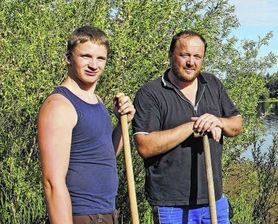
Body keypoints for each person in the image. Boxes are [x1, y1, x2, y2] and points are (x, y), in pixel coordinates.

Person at [132, 30, 242, 223]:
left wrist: (219, 121)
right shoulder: (150, 93)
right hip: (171, 206)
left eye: (197, 56)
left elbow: (236, 124)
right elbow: (145, 146)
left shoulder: (212, 84)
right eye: (185, 55)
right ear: (170, 56)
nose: (191, 62)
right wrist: (194, 126)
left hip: (214, 200)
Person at [38, 26, 135, 224]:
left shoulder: (97, 101)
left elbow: (103, 155)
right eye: (85, 56)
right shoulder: (59, 105)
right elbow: (52, 182)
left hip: (106, 214)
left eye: (100, 58)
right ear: (68, 58)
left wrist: (122, 124)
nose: (94, 65)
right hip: (81, 216)